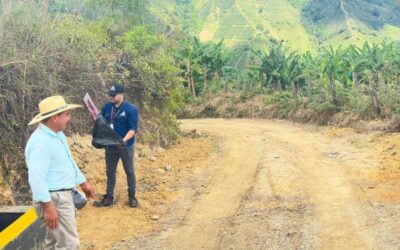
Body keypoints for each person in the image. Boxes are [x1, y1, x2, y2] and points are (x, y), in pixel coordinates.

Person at [25, 95, 95, 249]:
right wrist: (49, 208)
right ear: (55, 118)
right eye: (66, 114)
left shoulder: (57, 135)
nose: (68, 118)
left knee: (54, 242)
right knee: (70, 244)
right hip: (54, 199)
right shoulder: (41, 142)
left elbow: (68, 161)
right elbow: (36, 178)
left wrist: (82, 183)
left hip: (61, 196)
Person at [94, 83, 139, 208]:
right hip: (111, 145)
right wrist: (94, 117)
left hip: (125, 146)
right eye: (110, 94)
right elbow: (101, 120)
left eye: (114, 95)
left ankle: (132, 196)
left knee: (129, 171)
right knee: (110, 171)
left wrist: (123, 140)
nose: (111, 97)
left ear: (121, 94)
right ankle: (109, 197)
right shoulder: (108, 107)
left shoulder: (131, 109)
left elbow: (133, 129)